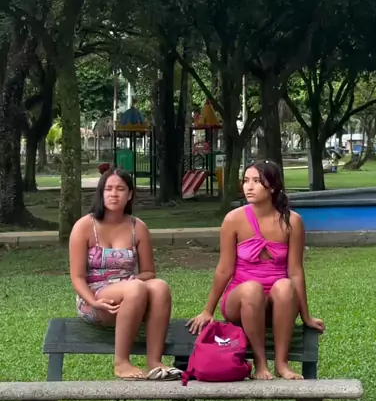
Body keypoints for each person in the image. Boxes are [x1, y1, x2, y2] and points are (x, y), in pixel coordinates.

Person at [188, 160, 325, 380]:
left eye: (256, 181)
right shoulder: (233, 219)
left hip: (277, 304)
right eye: (245, 181)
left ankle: (282, 363)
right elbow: (224, 269)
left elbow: (296, 272)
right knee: (252, 288)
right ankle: (260, 363)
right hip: (241, 300)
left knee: (285, 284)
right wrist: (207, 310)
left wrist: (306, 316)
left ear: (272, 187)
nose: (248, 187)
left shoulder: (292, 221)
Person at [69, 167, 179, 381]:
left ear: (129, 195)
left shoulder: (138, 227)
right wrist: (94, 301)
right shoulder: (84, 226)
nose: (114, 194)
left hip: (132, 294)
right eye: (108, 188)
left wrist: (131, 282)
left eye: (120, 189)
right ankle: (121, 362)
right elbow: (77, 277)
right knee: (135, 288)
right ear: (101, 193)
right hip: (96, 298)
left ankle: (154, 362)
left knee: (160, 286)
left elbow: (149, 272)